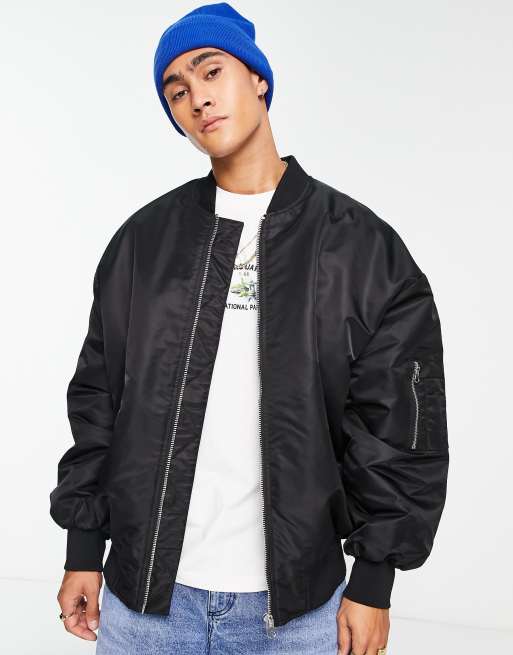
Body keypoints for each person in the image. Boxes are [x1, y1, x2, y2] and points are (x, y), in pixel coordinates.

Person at [50, 3, 449, 654]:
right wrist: (83, 548)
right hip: (145, 600)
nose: (197, 98)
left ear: (258, 79)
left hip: (297, 612)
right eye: (176, 90)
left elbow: (399, 424)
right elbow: (99, 400)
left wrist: (374, 579)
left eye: (211, 71)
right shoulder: (144, 243)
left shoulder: (359, 249)